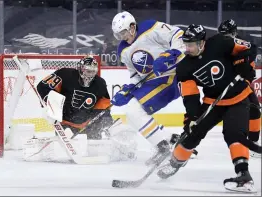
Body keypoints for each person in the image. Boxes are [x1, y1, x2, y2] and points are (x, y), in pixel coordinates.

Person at [155, 24, 258, 193]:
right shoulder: (184, 67)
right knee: (192, 133)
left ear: (202, 42)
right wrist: (191, 118)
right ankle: (174, 163)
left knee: (234, 134)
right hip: (213, 102)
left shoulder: (220, 42)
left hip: (238, 97)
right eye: (185, 44)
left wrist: (243, 66)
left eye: (191, 44)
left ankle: (244, 176)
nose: (187, 48)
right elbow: (190, 96)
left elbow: (249, 48)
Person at [111, 11, 190, 163]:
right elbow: (136, 75)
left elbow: (178, 34)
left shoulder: (150, 28)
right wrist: (127, 89)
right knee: (132, 115)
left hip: (171, 76)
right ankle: (168, 139)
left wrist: (172, 54)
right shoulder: (123, 50)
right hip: (153, 81)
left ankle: (163, 148)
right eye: (118, 35)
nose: (122, 37)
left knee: (134, 110)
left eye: (123, 33)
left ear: (132, 27)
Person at [37, 55, 113, 140]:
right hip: (64, 123)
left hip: (87, 125)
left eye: (93, 71)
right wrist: (51, 106)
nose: (90, 74)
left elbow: (103, 104)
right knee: (63, 151)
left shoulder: (100, 83)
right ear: (80, 68)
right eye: (87, 71)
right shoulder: (65, 75)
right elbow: (43, 86)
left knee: (94, 150)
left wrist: (105, 117)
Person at [218, 19, 261, 158]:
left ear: (234, 33)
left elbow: (251, 57)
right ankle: (187, 142)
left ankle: (253, 143)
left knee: (254, 109)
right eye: (223, 34)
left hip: (242, 86)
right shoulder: (216, 47)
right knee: (203, 115)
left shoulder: (242, 46)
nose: (225, 37)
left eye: (228, 34)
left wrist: (247, 74)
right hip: (222, 87)